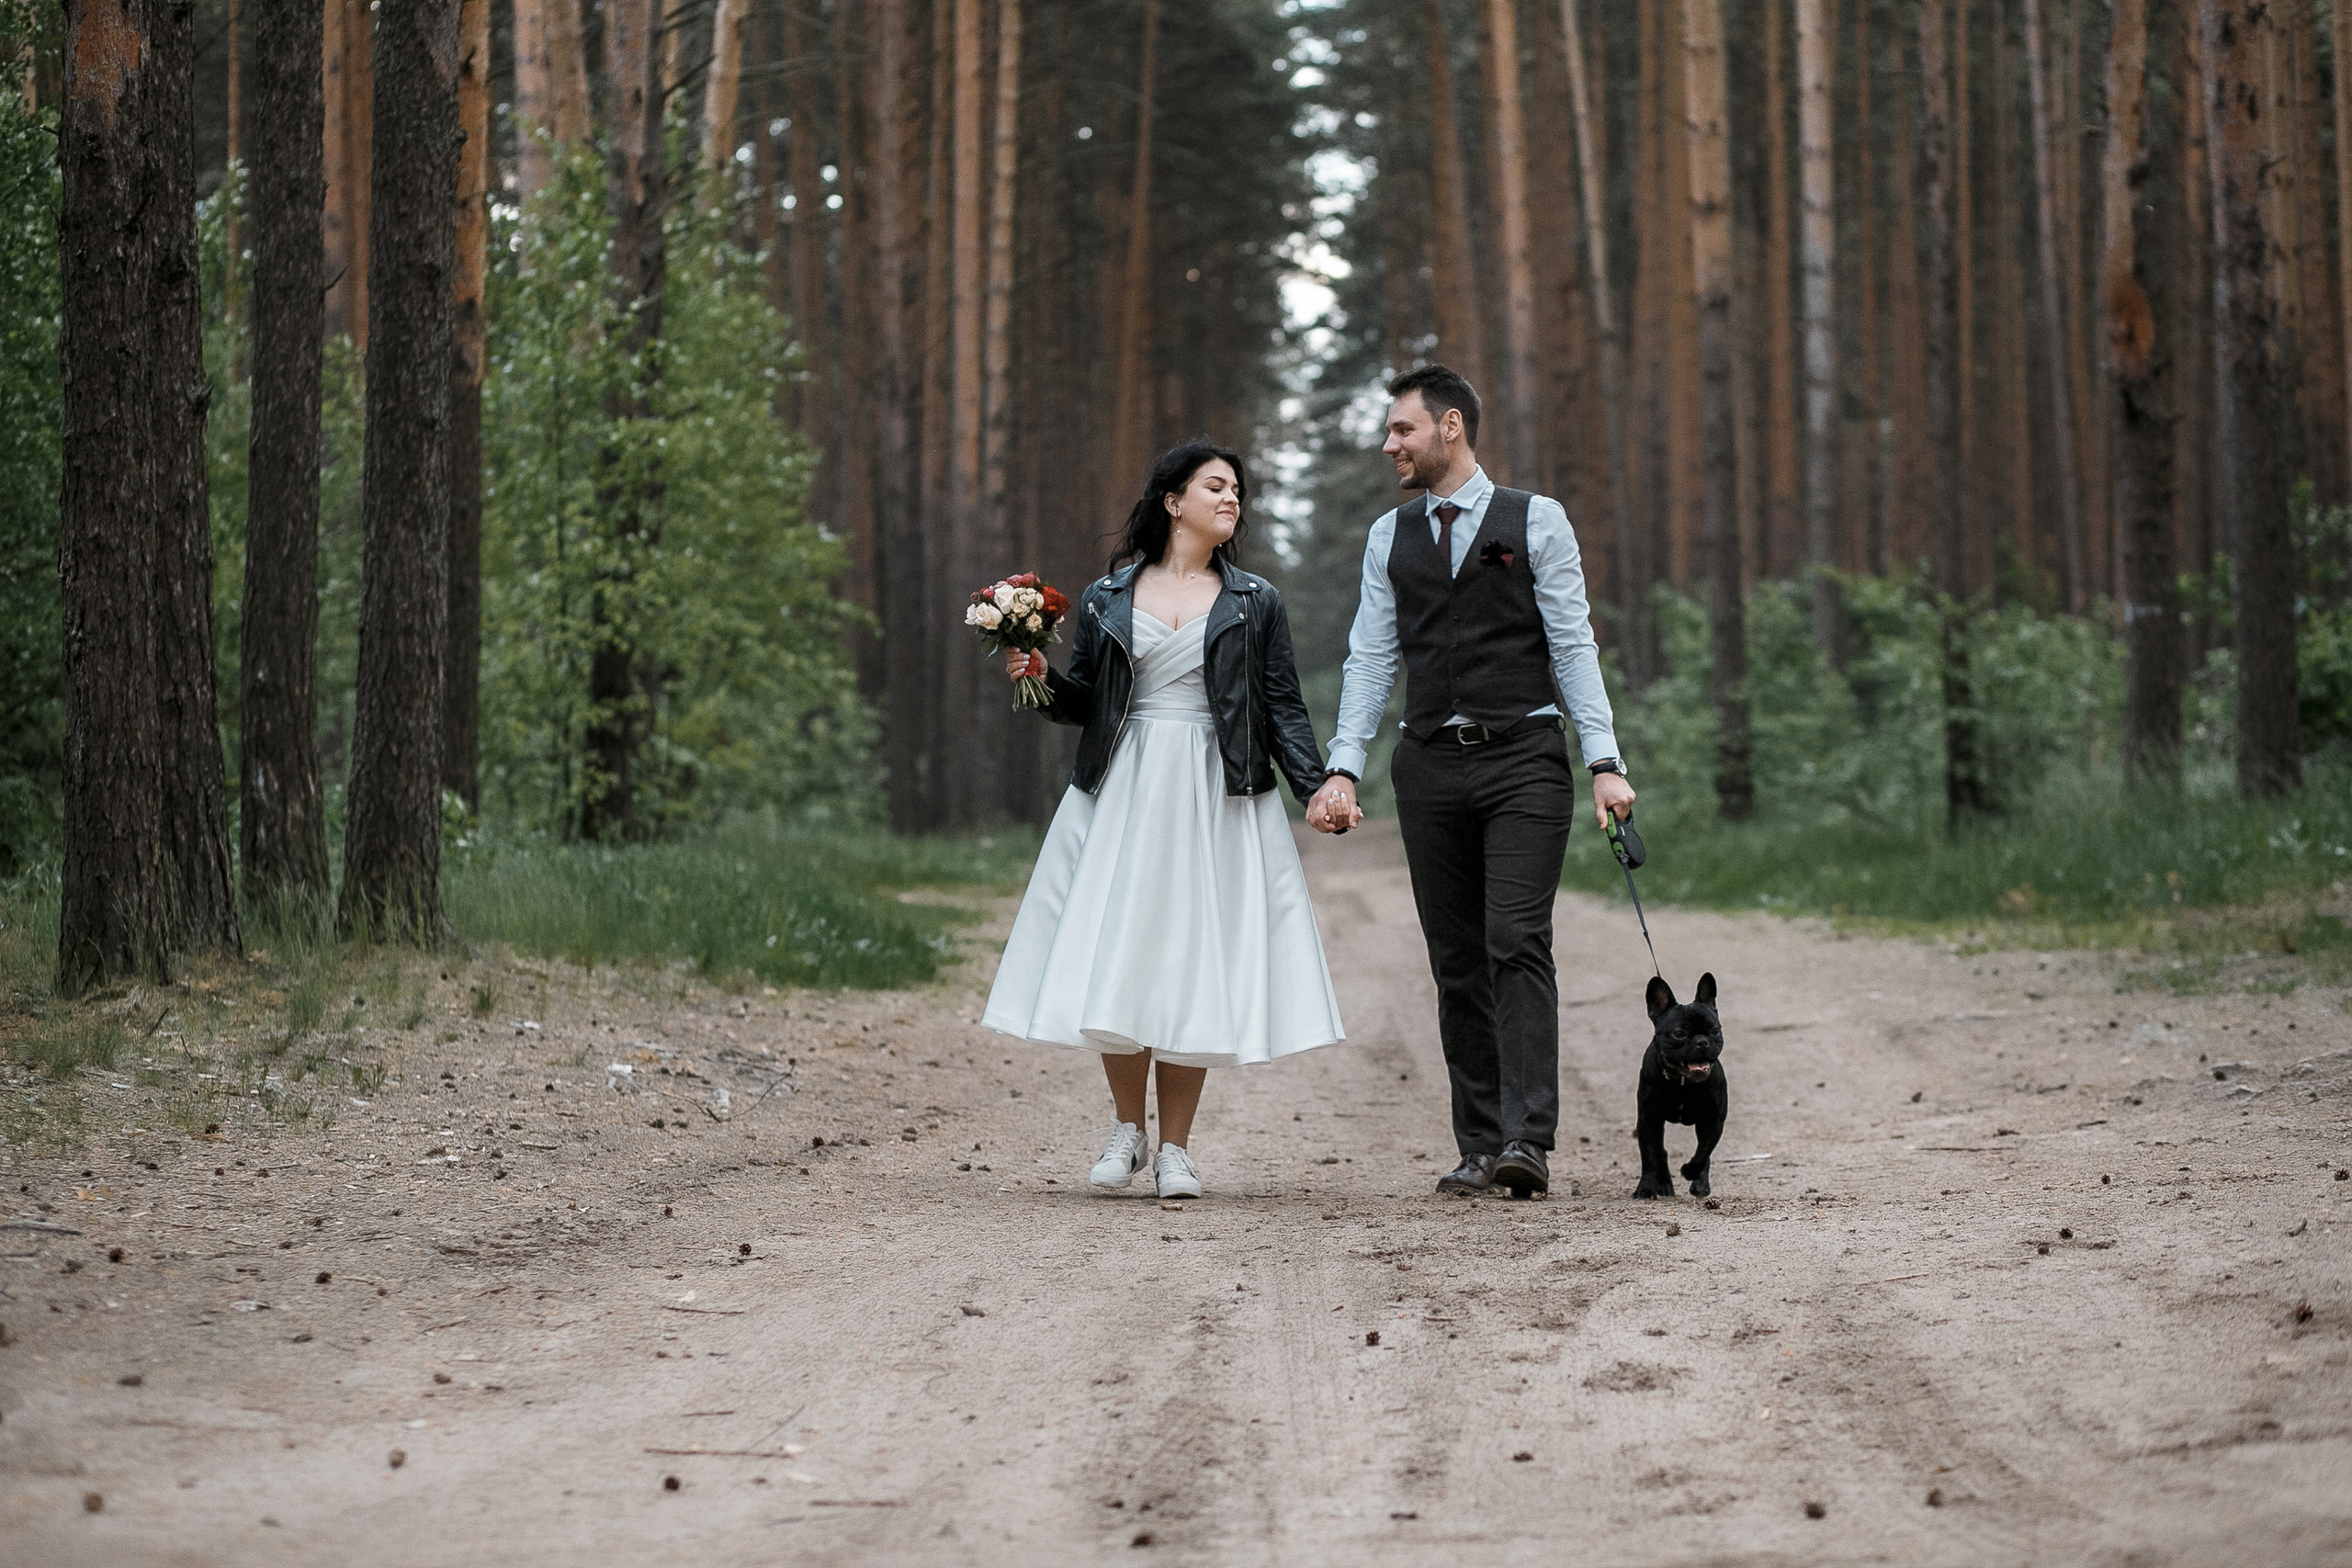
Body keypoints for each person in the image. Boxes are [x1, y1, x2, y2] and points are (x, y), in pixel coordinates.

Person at [981, 439, 1346, 1200]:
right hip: (1125, 784)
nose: (1232, 499)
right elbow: (1086, 704)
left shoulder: (1256, 601)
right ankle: (1126, 1130)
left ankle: (1177, 1149)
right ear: (1172, 501)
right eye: (1216, 486)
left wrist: (1316, 786)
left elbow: (1282, 706)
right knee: (1122, 949)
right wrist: (1042, 677)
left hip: (1215, 789)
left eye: (1238, 491)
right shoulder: (1110, 595)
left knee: (1191, 959)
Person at [1305, 366, 1636, 1200]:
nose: (1390, 445)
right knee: (1455, 956)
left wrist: (1603, 761)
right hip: (1427, 765)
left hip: (1523, 756)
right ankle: (1480, 1142)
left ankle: (1530, 1138)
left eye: (1402, 431)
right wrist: (1345, 763)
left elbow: (1572, 645)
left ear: (1450, 427)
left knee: (1514, 939)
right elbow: (1372, 658)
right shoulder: (1389, 537)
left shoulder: (1537, 521)